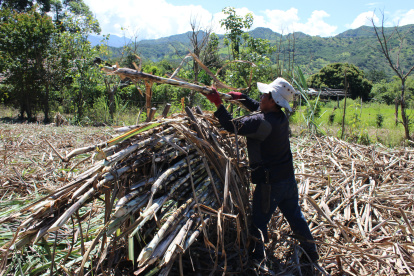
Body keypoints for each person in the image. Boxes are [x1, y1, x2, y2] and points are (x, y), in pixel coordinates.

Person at [203, 78, 319, 267]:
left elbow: (232, 125)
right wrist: (242, 98)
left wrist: (218, 104)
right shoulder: (279, 117)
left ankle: (257, 259)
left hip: (270, 184)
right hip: (288, 180)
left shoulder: (261, 122)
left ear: (273, 100)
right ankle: (311, 252)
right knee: (295, 216)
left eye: (265, 95)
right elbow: (258, 107)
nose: (262, 97)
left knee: (258, 221)